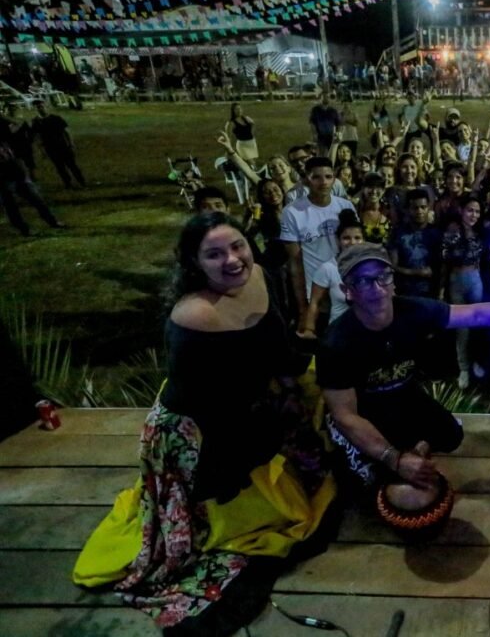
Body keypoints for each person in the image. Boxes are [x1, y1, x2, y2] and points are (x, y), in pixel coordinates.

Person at [73, 214, 336, 630]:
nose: (232, 260)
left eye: (238, 246)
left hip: (253, 404)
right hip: (200, 430)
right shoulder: (195, 317)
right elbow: (209, 402)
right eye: (214, 255)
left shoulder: (262, 276)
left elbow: (278, 343)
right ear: (195, 264)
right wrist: (268, 434)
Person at [317, 242, 490, 492]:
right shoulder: (336, 343)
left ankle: (415, 446)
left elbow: (474, 315)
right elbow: (346, 416)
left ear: (392, 280)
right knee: (368, 483)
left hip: (403, 395)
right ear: (347, 290)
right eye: (363, 281)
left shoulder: (412, 310)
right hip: (364, 410)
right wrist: (393, 458)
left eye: (382, 277)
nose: (377, 288)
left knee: (450, 435)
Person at [280, 158, 358, 324]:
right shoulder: (292, 212)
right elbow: (295, 264)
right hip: (318, 295)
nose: (323, 182)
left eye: (328, 177)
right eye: (316, 177)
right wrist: (303, 309)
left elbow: (357, 249)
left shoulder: (346, 206)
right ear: (306, 179)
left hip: (350, 289)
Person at [443, 194, 486, 388]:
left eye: (477, 211)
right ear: (461, 210)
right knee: (462, 327)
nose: (474, 215)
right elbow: (445, 259)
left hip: (475, 278)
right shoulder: (453, 230)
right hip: (456, 280)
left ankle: (477, 360)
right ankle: (464, 369)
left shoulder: (479, 231)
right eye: (470, 210)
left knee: (478, 322)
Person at [299, 209, 363, 338]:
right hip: (338, 334)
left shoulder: (374, 266)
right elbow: (315, 303)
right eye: (346, 238)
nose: (352, 242)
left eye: (357, 238)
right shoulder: (328, 268)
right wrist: (309, 330)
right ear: (338, 240)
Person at [388, 188, 442, 298]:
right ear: (408, 210)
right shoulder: (398, 233)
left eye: (423, 207)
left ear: (429, 208)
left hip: (431, 295)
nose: (419, 211)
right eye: (415, 208)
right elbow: (392, 266)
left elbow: (442, 268)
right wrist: (416, 272)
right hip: (404, 295)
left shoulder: (437, 233)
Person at [31, 99, 86, 189]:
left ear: (46, 107)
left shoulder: (56, 118)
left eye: (41, 106)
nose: (40, 109)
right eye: (37, 107)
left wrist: (71, 143)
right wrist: (42, 150)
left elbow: (66, 131)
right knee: (60, 168)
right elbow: (37, 137)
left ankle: (81, 182)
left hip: (63, 146)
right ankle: (68, 184)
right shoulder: (35, 122)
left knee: (72, 165)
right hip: (50, 148)